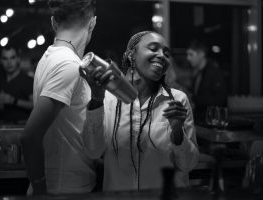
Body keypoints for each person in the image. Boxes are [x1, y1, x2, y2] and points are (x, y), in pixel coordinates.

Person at [81, 31, 199, 191]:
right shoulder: (108, 100)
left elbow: (188, 165)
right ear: (131, 55)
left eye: (166, 53)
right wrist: (96, 99)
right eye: (153, 48)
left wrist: (178, 133)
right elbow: (92, 151)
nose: (162, 56)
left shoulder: (177, 100)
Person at [21, 0, 97, 195]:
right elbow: (30, 136)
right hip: (63, 188)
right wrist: (40, 189)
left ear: (53, 23)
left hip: (63, 185)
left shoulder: (49, 57)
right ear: (92, 23)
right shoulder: (68, 65)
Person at [186, 39, 228, 123]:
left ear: (201, 54)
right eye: (188, 55)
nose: (188, 58)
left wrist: (194, 98)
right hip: (201, 121)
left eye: (191, 54)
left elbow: (220, 100)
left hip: (212, 122)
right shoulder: (198, 72)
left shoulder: (214, 72)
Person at [0, 45, 33, 124]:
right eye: (5, 58)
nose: (9, 62)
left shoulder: (28, 80)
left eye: (12, 58)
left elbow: (36, 105)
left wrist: (13, 101)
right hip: (3, 126)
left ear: (18, 59)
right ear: (1, 61)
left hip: (22, 128)